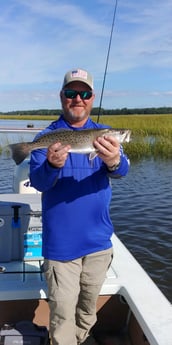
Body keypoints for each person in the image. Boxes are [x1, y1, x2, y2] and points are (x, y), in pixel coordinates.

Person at [29, 68, 130, 345]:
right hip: (61, 248)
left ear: (92, 98)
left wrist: (113, 161)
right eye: (72, 93)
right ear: (62, 97)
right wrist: (51, 165)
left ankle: (80, 339)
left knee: (87, 311)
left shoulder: (105, 135)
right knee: (62, 314)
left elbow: (123, 170)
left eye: (84, 93)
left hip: (98, 244)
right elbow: (38, 181)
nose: (78, 99)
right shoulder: (48, 135)